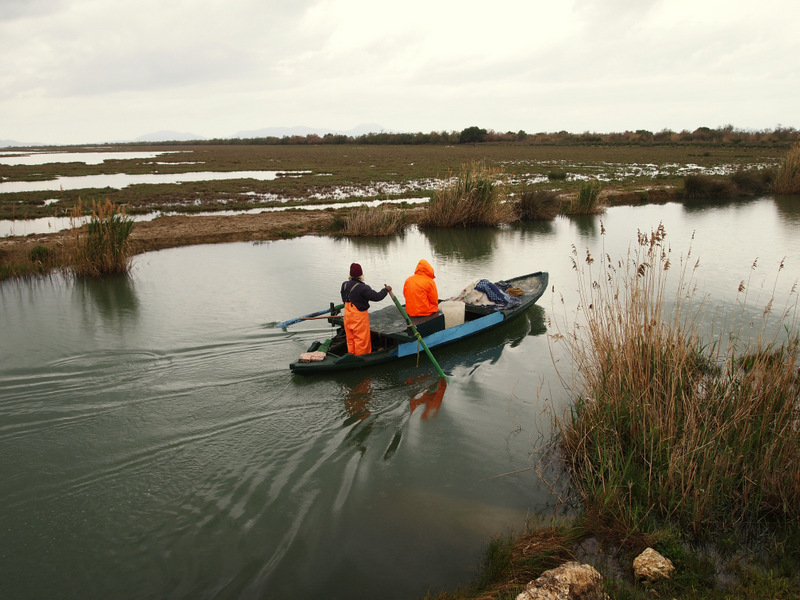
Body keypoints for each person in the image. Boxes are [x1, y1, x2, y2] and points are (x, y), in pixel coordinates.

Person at [340, 262, 391, 355]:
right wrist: (385, 290)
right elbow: (377, 297)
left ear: (350, 274)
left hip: (347, 315)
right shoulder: (363, 288)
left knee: (350, 337)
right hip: (359, 317)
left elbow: (343, 298)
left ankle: (351, 355)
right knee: (361, 339)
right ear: (361, 275)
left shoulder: (344, 285)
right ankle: (361, 357)